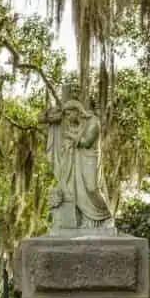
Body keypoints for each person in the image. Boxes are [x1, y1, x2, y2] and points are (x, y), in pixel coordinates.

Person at [41, 99, 113, 232]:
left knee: (92, 189)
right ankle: (86, 221)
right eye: (66, 115)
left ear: (77, 111)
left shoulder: (93, 122)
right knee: (77, 190)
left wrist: (70, 137)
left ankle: (107, 217)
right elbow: (43, 119)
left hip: (90, 158)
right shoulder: (75, 125)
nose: (67, 118)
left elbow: (86, 142)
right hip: (78, 159)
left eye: (69, 114)